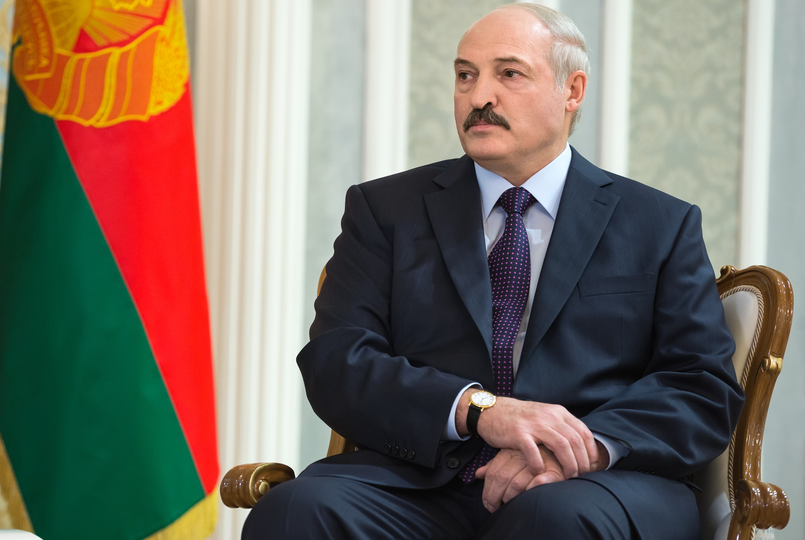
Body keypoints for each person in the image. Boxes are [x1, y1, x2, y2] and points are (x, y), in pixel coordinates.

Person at [242, 3, 744, 539]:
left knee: (551, 519)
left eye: (509, 74)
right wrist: (477, 409)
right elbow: (338, 361)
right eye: (465, 75)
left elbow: (699, 386)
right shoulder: (385, 211)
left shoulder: (659, 224)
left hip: (592, 482)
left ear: (572, 90)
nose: (479, 96)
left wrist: (578, 447)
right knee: (295, 511)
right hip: (420, 481)